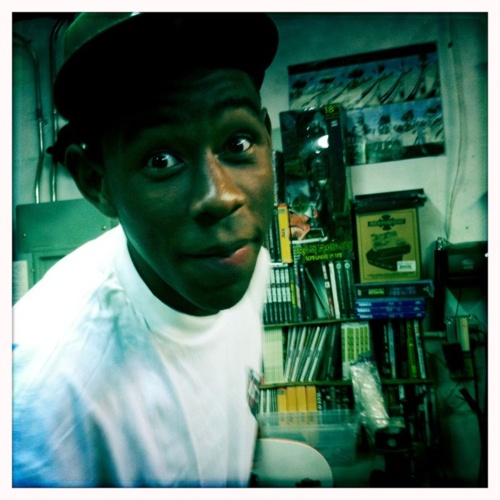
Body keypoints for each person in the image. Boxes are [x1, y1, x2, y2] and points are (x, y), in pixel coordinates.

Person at [13, 12, 279, 487]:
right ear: (97, 182)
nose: (221, 196)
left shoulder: (245, 265)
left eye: (238, 142)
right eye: (162, 159)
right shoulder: (43, 394)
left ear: (266, 138)